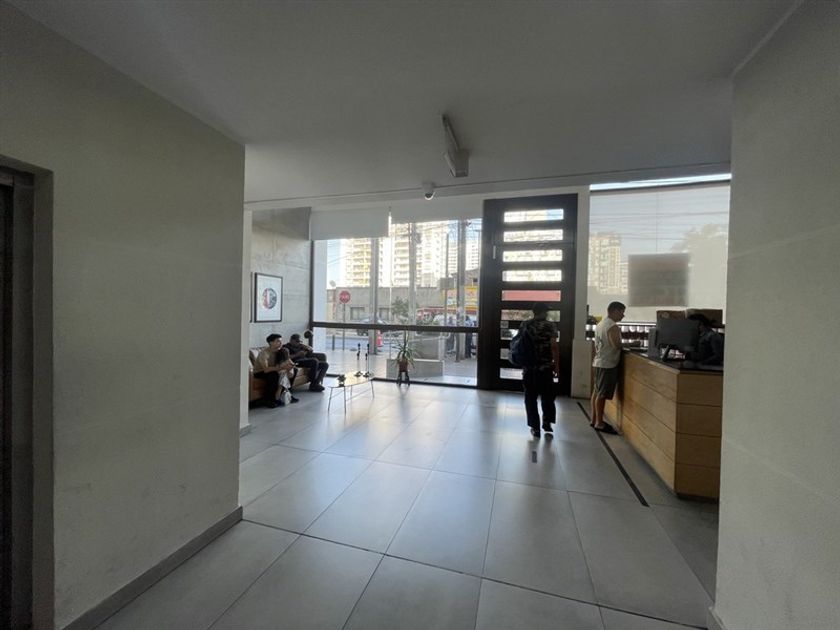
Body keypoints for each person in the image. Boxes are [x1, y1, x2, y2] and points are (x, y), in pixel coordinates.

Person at [521, 302, 559, 438]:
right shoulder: (550, 325)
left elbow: (520, 344)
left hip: (529, 367)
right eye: (546, 311)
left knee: (530, 397)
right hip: (545, 367)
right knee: (548, 396)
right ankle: (547, 422)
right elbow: (554, 346)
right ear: (543, 312)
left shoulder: (525, 325)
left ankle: (535, 427)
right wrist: (557, 365)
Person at [590, 301, 626, 433]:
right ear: (615, 311)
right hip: (607, 365)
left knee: (596, 392)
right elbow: (616, 345)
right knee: (602, 394)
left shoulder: (600, 324)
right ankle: (600, 423)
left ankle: (594, 419)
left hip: (599, 362)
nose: (623, 316)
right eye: (622, 312)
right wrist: (632, 344)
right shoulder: (612, 326)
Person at [254, 334, 299, 408]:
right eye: (278, 341)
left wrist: (291, 367)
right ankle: (270, 400)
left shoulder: (281, 351)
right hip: (260, 372)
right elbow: (266, 369)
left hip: (274, 369)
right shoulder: (264, 353)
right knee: (273, 375)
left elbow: (289, 361)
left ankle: (287, 394)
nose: (281, 343)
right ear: (271, 342)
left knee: (294, 370)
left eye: (281, 341)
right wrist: (281, 368)